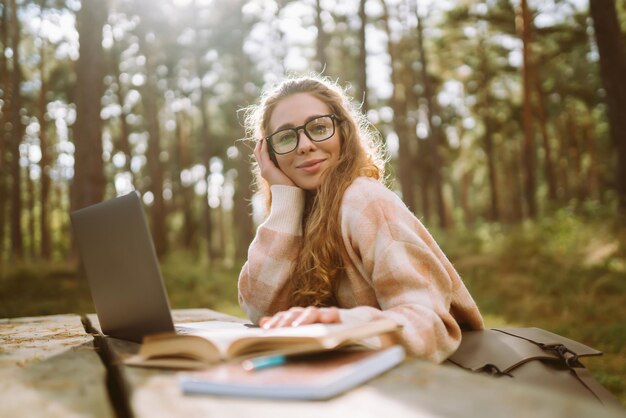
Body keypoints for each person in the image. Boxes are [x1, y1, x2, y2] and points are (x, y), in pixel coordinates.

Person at [238, 75, 483, 362]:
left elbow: (427, 319)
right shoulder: (299, 214)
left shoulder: (365, 200)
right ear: (269, 153)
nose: (303, 145)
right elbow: (260, 310)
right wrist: (285, 200)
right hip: (345, 383)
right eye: (286, 137)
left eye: (318, 127)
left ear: (343, 133)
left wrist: (347, 325)